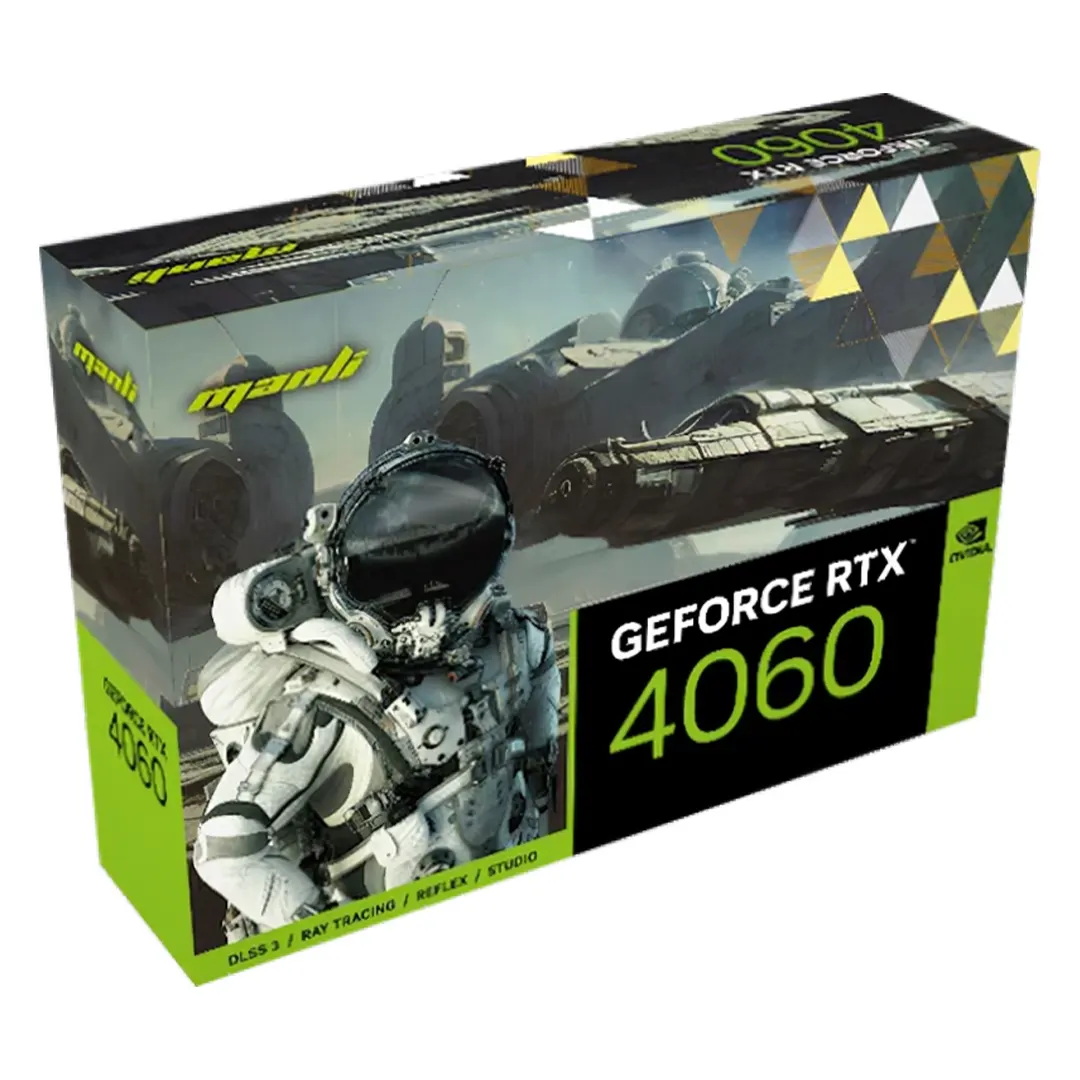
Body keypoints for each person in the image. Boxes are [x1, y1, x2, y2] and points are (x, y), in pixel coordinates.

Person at [192, 434, 559, 936]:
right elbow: (224, 849)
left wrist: (537, 806)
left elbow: (538, 749)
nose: (431, 609)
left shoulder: (515, 641)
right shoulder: (325, 704)